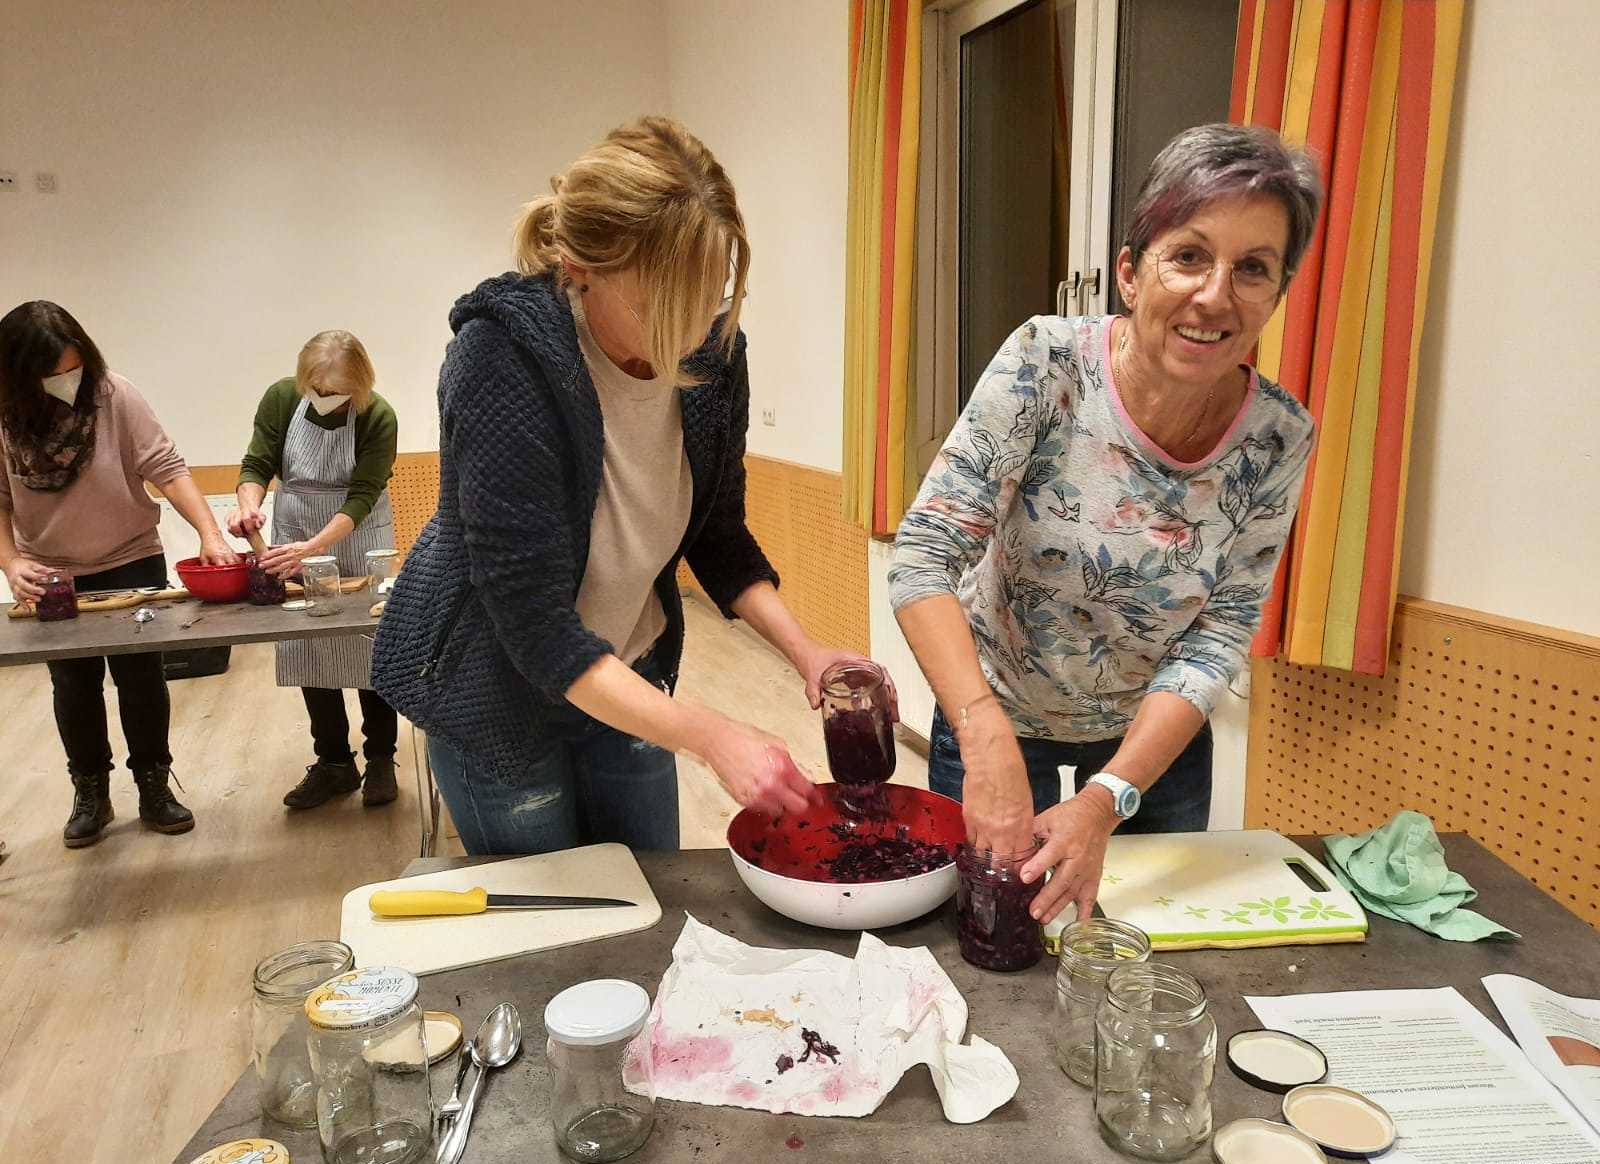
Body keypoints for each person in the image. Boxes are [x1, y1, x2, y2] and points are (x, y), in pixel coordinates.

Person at [373, 116, 873, 854]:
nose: (694, 330)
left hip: (628, 674)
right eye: (664, 304)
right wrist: (712, 734)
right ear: (580, 266)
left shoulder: (712, 353)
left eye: (710, 295)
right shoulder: (501, 359)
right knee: (566, 917)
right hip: (498, 694)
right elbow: (537, 629)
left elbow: (718, 532)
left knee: (651, 895)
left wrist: (805, 650)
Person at [890, 124, 1323, 924]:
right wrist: (982, 733)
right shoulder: (1045, 363)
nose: (1215, 295)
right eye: (1188, 256)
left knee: (1133, 943)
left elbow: (1221, 631)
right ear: (1130, 272)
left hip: (1151, 747)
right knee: (990, 935)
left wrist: (1106, 797)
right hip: (996, 712)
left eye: (1252, 268)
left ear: (1276, 294)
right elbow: (923, 556)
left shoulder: (1279, 436)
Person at [0, 300, 239, 847]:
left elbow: (167, 469)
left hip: (132, 557)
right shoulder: (5, 418)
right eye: (53, 373)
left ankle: (154, 785)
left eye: (74, 367)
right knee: (73, 684)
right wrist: (11, 562)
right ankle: (91, 792)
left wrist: (209, 533)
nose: (68, 381)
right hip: (53, 574)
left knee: (141, 678)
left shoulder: (114, 395)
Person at [229, 332, 400, 809]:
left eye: (336, 392)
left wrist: (315, 548)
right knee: (311, 650)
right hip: (295, 527)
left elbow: (363, 495)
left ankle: (381, 759)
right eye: (317, 389)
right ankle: (334, 763)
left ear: (360, 385)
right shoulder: (282, 398)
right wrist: (248, 503)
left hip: (358, 537)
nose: (324, 399)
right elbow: (257, 462)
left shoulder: (378, 416)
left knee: (371, 650)